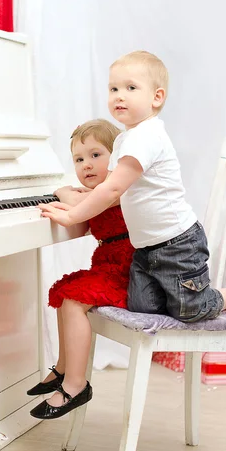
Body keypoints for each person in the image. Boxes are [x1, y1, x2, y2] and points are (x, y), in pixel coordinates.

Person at [38, 50, 226, 409]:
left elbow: (111, 190)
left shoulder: (146, 137)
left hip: (178, 243)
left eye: (130, 87)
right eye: (113, 88)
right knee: (143, 304)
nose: (118, 96)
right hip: (149, 249)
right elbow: (101, 189)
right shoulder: (126, 139)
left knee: (190, 308)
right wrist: (71, 198)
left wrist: (72, 216)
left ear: (156, 98)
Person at [29, 119, 134, 420]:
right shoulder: (96, 192)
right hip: (107, 265)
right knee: (63, 291)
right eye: (78, 159)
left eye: (96, 155)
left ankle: (77, 385)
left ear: (117, 159)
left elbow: (81, 203)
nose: (86, 165)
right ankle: (64, 368)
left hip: (131, 271)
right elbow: (80, 220)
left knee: (75, 299)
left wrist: (67, 195)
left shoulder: (119, 186)